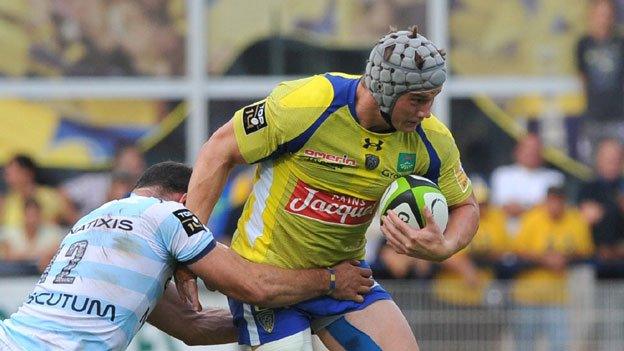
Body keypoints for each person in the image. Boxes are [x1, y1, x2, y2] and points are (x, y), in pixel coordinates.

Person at [186, 26, 479, 350]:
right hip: (266, 279)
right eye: (417, 100)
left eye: (432, 100)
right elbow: (218, 150)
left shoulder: (430, 138)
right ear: (384, 88)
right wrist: (189, 250)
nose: (426, 112)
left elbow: (466, 205)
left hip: (346, 279)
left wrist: (446, 245)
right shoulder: (308, 104)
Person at [0, 161, 372, 350]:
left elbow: (190, 327)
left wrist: (284, 316)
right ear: (185, 200)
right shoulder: (169, 215)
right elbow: (253, 283)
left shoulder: (94, 218)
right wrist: (330, 282)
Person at [510, 186, 594, 351]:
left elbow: (586, 250)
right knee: (524, 343)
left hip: (557, 296)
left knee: (559, 343)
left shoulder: (575, 220)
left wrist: (564, 258)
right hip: (528, 295)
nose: (555, 206)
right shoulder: (532, 218)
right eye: (552, 201)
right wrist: (545, 260)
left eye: (559, 201)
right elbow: (518, 249)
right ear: (546, 201)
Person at [575, 0, 624, 162]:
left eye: (608, 14)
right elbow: (583, 79)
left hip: (619, 115)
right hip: (594, 115)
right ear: (592, 15)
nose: (604, 19)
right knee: (591, 163)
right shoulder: (583, 44)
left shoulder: (620, 43)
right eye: (600, 14)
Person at [490, 133, 565, 233]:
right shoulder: (502, 175)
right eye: (528, 148)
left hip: (543, 239)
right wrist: (536, 207)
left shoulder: (555, 178)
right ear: (517, 151)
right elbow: (504, 208)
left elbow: (553, 209)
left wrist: (521, 207)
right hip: (508, 238)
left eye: (536, 149)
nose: (532, 152)